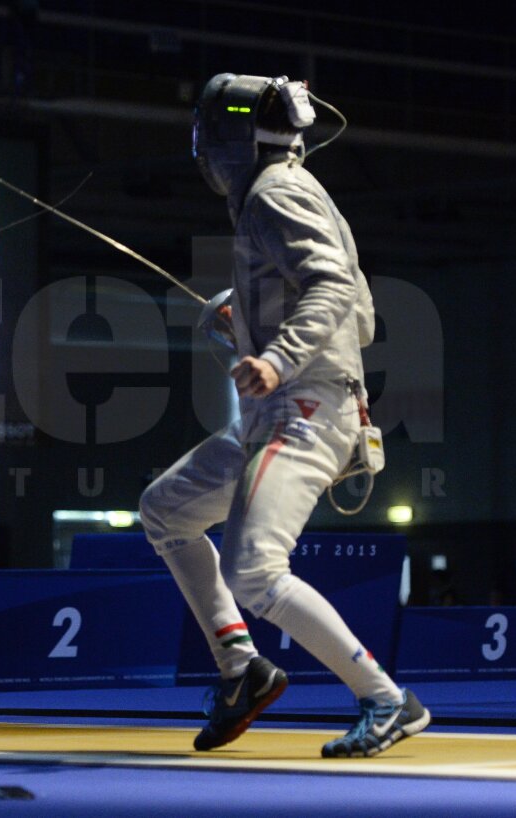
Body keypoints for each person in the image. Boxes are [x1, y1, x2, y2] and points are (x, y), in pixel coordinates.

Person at [139, 74, 429, 758]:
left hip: (305, 404)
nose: (206, 148)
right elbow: (336, 292)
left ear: (232, 138)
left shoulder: (276, 192)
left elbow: (330, 284)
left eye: (211, 134)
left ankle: (389, 700)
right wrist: (244, 329)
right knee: (166, 511)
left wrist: (276, 358)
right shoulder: (278, 193)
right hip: (280, 406)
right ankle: (242, 668)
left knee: (255, 570)